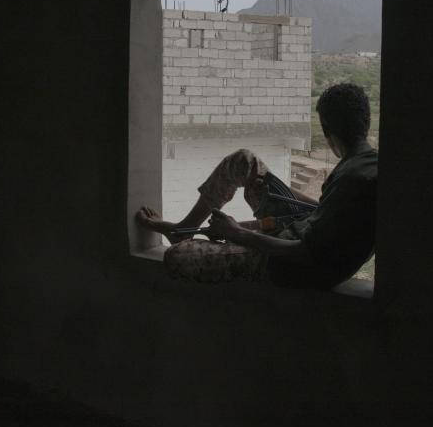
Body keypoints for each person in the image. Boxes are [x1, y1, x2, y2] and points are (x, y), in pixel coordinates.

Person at [135, 83, 378, 289]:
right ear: (364, 122)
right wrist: (282, 192)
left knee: (177, 257)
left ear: (327, 130)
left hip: (291, 265)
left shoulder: (352, 179)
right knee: (245, 162)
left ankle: (190, 238)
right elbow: (327, 213)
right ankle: (186, 228)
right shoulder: (366, 163)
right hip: (301, 232)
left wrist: (237, 234)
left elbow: (305, 253)